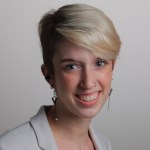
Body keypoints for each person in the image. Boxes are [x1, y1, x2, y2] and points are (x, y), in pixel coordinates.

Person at [0, 3, 121, 150]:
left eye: (100, 63)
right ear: (49, 75)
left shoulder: (104, 144)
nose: (88, 83)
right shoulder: (10, 146)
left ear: (112, 67)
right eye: (72, 66)